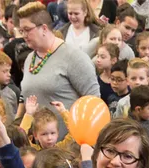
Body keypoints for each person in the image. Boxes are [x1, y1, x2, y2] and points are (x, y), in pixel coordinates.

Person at [18, 2, 99, 136]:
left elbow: (93, 104)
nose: (23, 35)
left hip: (67, 148)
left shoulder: (74, 57)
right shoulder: (29, 59)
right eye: (21, 31)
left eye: (27, 30)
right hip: (36, 147)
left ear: (44, 28)